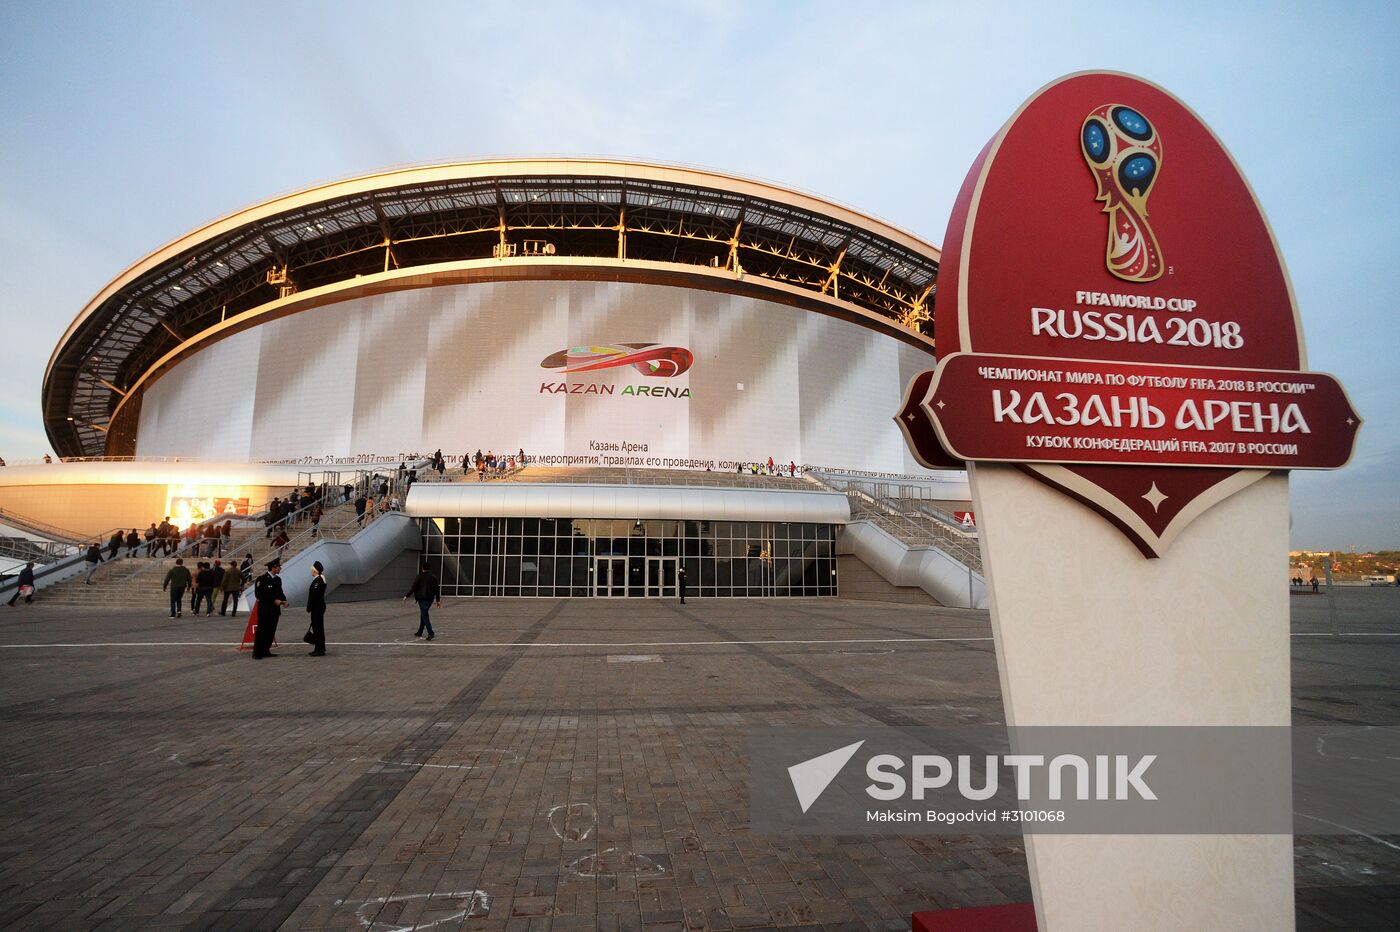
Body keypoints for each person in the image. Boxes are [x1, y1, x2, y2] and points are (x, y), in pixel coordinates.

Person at [251, 558, 287, 658]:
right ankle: (257, 652)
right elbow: (259, 595)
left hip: (274, 611)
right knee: (262, 631)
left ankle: (266, 650)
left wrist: (284, 600)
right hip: (265, 610)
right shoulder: (262, 579)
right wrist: (274, 601)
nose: (280, 568)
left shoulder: (277, 579)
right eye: (278, 566)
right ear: (273, 568)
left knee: (271, 631)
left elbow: (280, 592)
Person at [403, 562, 440, 640]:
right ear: (429, 568)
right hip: (430, 599)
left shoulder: (419, 576)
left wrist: (407, 596)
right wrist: (438, 600)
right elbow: (437, 590)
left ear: (422, 568)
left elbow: (413, 587)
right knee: (423, 614)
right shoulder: (434, 577)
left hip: (422, 599)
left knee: (425, 615)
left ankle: (431, 633)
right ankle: (420, 631)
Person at [306, 560, 327, 656]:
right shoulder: (319, 580)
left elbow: (314, 596)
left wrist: (309, 607)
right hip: (319, 607)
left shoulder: (317, 581)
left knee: (317, 628)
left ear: (315, 571)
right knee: (318, 627)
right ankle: (320, 648)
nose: (311, 572)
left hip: (317, 607)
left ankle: (319, 649)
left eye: (312, 570)